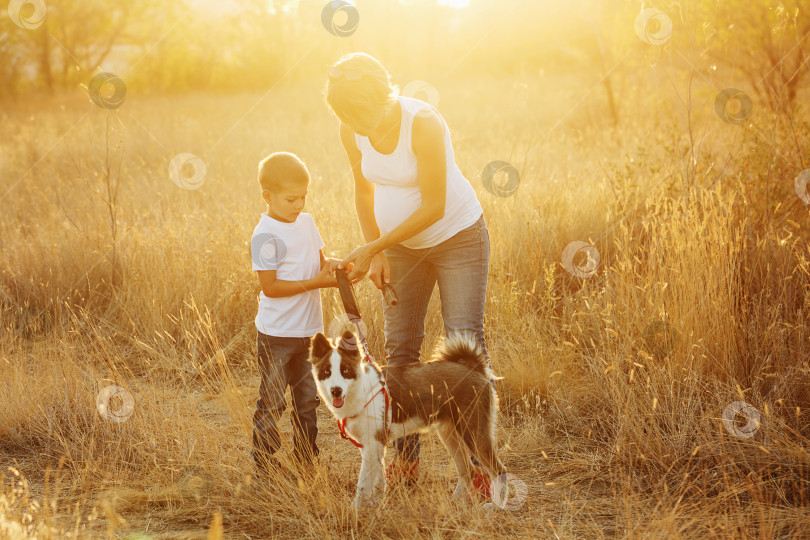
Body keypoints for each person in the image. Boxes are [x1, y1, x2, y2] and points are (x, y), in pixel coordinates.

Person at [324, 52, 493, 498]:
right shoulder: (350, 127)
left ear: (383, 94)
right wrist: (378, 250)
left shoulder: (423, 124)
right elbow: (363, 191)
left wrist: (374, 246)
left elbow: (434, 205)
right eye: (349, 118)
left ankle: (477, 471)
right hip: (400, 247)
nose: (358, 126)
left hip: (458, 236)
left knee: (463, 345)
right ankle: (405, 463)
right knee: (399, 350)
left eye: (363, 115)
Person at [249, 151, 339, 481]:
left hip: (311, 334)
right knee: (272, 401)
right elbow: (270, 287)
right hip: (276, 335)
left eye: (303, 197)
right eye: (291, 199)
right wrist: (318, 282)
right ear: (267, 196)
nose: (299, 204)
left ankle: (306, 459)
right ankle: (265, 464)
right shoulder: (264, 236)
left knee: (308, 401)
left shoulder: (307, 222)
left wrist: (336, 268)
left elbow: (320, 261)